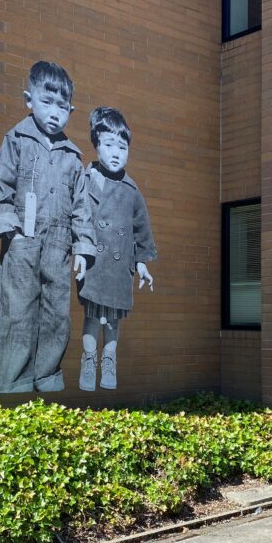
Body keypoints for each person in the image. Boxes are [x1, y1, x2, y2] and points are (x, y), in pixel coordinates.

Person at [0, 61, 96, 393]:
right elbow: (1, 187)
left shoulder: (72, 156)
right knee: (18, 312)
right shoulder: (16, 140)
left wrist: (82, 248)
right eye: (46, 103)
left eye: (62, 107)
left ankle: (47, 377)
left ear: (71, 110)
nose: (54, 113)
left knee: (56, 315)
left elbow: (82, 207)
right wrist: (14, 232)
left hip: (59, 247)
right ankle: (13, 381)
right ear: (29, 100)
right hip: (23, 244)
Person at [77, 107, 157, 391]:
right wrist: (79, 253)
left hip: (119, 267)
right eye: (109, 145)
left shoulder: (132, 190)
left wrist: (142, 264)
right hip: (95, 264)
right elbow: (78, 218)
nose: (115, 153)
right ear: (96, 144)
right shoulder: (85, 180)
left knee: (112, 321)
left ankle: (109, 361)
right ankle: (89, 361)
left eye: (122, 147)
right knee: (92, 317)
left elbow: (141, 230)